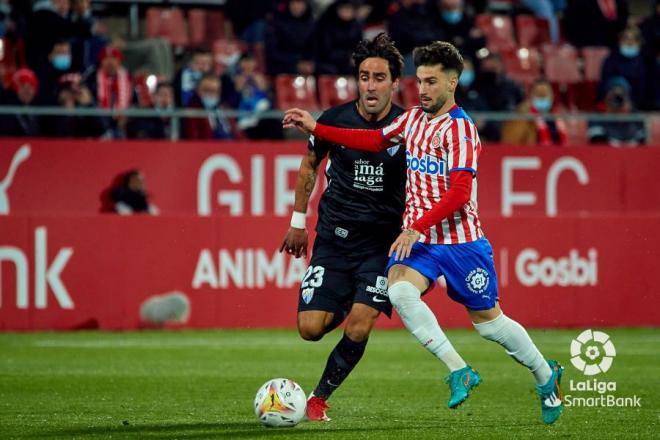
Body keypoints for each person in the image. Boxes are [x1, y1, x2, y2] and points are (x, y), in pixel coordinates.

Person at [283, 41, 564, 425]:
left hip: (461, 242)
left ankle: (545, 375)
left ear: (452, 84)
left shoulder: (461, 131)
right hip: (422, 243)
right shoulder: (413, 120)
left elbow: (460, 194)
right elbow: (372, 139)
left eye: (432, 82)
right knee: (399, 291)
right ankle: (458, 370)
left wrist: (416, 225)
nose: (424, 90)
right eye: (420, 82)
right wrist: (317, 127)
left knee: (491, 326)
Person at [279, 33, 406, 422]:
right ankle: (350, 296)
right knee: (309, 328)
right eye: (364, 76)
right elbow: (309, 166)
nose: (370, 84)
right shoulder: (334, 120)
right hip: (334, 240)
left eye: (379, 77)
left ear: (395, 83)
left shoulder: (408, 126)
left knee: (360, 323)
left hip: (381, 247)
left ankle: (318, 398)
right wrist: (298, 222)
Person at [501, 78, 567, 146]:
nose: (542, 97)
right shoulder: (521, 116)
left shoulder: (557, 118)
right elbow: (511, 143)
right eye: (539, 94)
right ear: (530, 96)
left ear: (552, 96)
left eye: (545, 94)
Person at [600, 25, 648, 110]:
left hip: (636, 103)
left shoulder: (645, 62)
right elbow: (605, 81)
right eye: (626, 39)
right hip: (611, 98)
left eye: (633, 39)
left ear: (639, 42)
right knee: (618, 83)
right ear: (620, 41)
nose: (629, 42)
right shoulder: (611, 59)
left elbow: (645, 87)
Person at [588, 77, 646, 146]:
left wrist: (625, 117)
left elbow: (642, 143)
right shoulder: (597, 117)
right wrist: (609, 115)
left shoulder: (636, 118)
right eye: (614, 97)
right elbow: (597, 142)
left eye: (620, 97)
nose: (617, 101)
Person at [183, 74, 234, 140]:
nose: (210, 94)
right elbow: (194, 137)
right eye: (206, 90)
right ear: (198, 90)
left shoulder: (225, 107)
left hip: (232, 146)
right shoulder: (193, 110)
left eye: (214, 91)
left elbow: (237, 132)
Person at [0, 68, 42, 137]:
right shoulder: (6, 113)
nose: (27, 91)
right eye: (22, 86)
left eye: (30, 87)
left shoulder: (41, 111)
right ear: (15, 89)